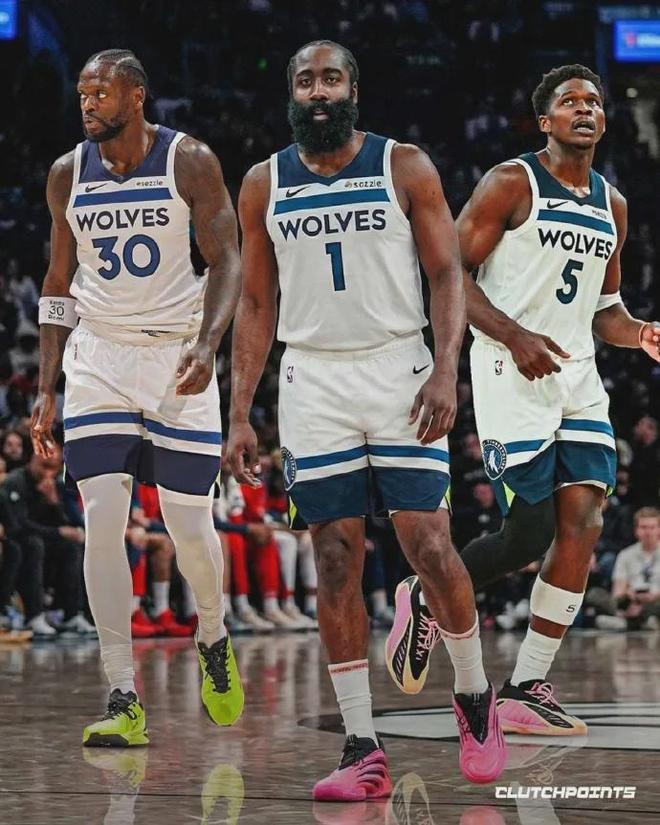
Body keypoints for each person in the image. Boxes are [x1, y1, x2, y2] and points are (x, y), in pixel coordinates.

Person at [226, 40, 506, 798]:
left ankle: (474, 693)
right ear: (291, 94)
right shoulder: (263, 182)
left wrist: (445, 368)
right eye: (305, 80)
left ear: (353, 89)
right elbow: (255, 300)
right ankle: (360, 744)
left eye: (331, 78)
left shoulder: (403, 165)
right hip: (312, 378)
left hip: (398, 368)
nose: (318, 91)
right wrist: (240, 412)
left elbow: (447, 273)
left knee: (431, 546)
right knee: (334, 557)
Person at [386, 65, 660, 734]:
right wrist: (514, 334)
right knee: (529, 534)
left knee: (585, 522)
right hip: (509, 368)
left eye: (594, 101)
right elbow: (449, 274)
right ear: (546, 121)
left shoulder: (613, 205)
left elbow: (605, 309)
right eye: (570, 101)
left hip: (578, 378)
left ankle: (527, 685)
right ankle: (424, 593)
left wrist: (641, 332)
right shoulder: (512, 182)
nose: (585, 109)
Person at [30, 49, 243, 746]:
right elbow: (58, 281)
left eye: (101, 92)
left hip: (176, 353)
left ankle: (212, 631)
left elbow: (228, 259)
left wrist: (209, 343)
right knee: (102, 519)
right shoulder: (67, 173)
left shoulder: (189, 160)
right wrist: (46, 386)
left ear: (137, 95)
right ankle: (121, 692)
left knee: (188, 527)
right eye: (82, 93)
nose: (88, 103)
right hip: (99, 358)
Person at [588, 507, 660, 630]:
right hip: (631, 601)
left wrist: (654, 596)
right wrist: (630, 595)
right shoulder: (626, 554)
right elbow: (618, 593)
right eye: (643, 527)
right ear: (636, 530)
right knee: (594, 595)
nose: (648, 532)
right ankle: (641, 622)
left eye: (652, 527)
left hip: (656, 602)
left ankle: (631, 623)